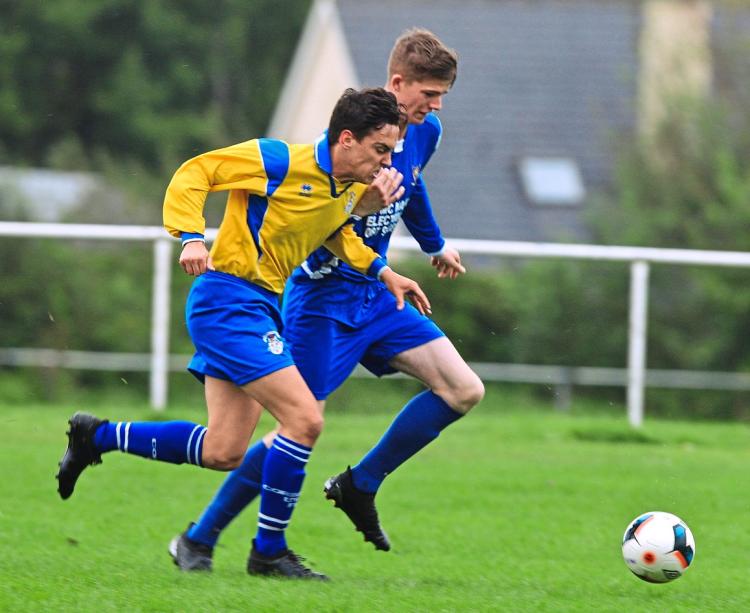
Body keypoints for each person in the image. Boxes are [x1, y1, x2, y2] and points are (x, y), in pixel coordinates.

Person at [55, 87, 432, 581]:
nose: (386, 161)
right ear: (347, 139)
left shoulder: (345, 189)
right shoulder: (278, 159)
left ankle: (96, 436)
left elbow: (333, 233)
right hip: (228, 302)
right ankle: (269, 552)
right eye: (380, 149)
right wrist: (191, 236)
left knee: (223, 450)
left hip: (259, 308)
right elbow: (196, 172)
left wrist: (383, 271)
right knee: (304, 419)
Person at [169, 28, 484, 572]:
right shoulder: (347, 145)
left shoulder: (425, 133)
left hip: (378, 294)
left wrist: (433, 244)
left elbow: (413, 186)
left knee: (463, 389)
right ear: (398, 83)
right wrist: (192, 236)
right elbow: (317, 215)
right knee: (298, 422)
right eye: (429, 94)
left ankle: (361, 484)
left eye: (442, 97)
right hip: (321, 301)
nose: (435, 106)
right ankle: (203, 537)